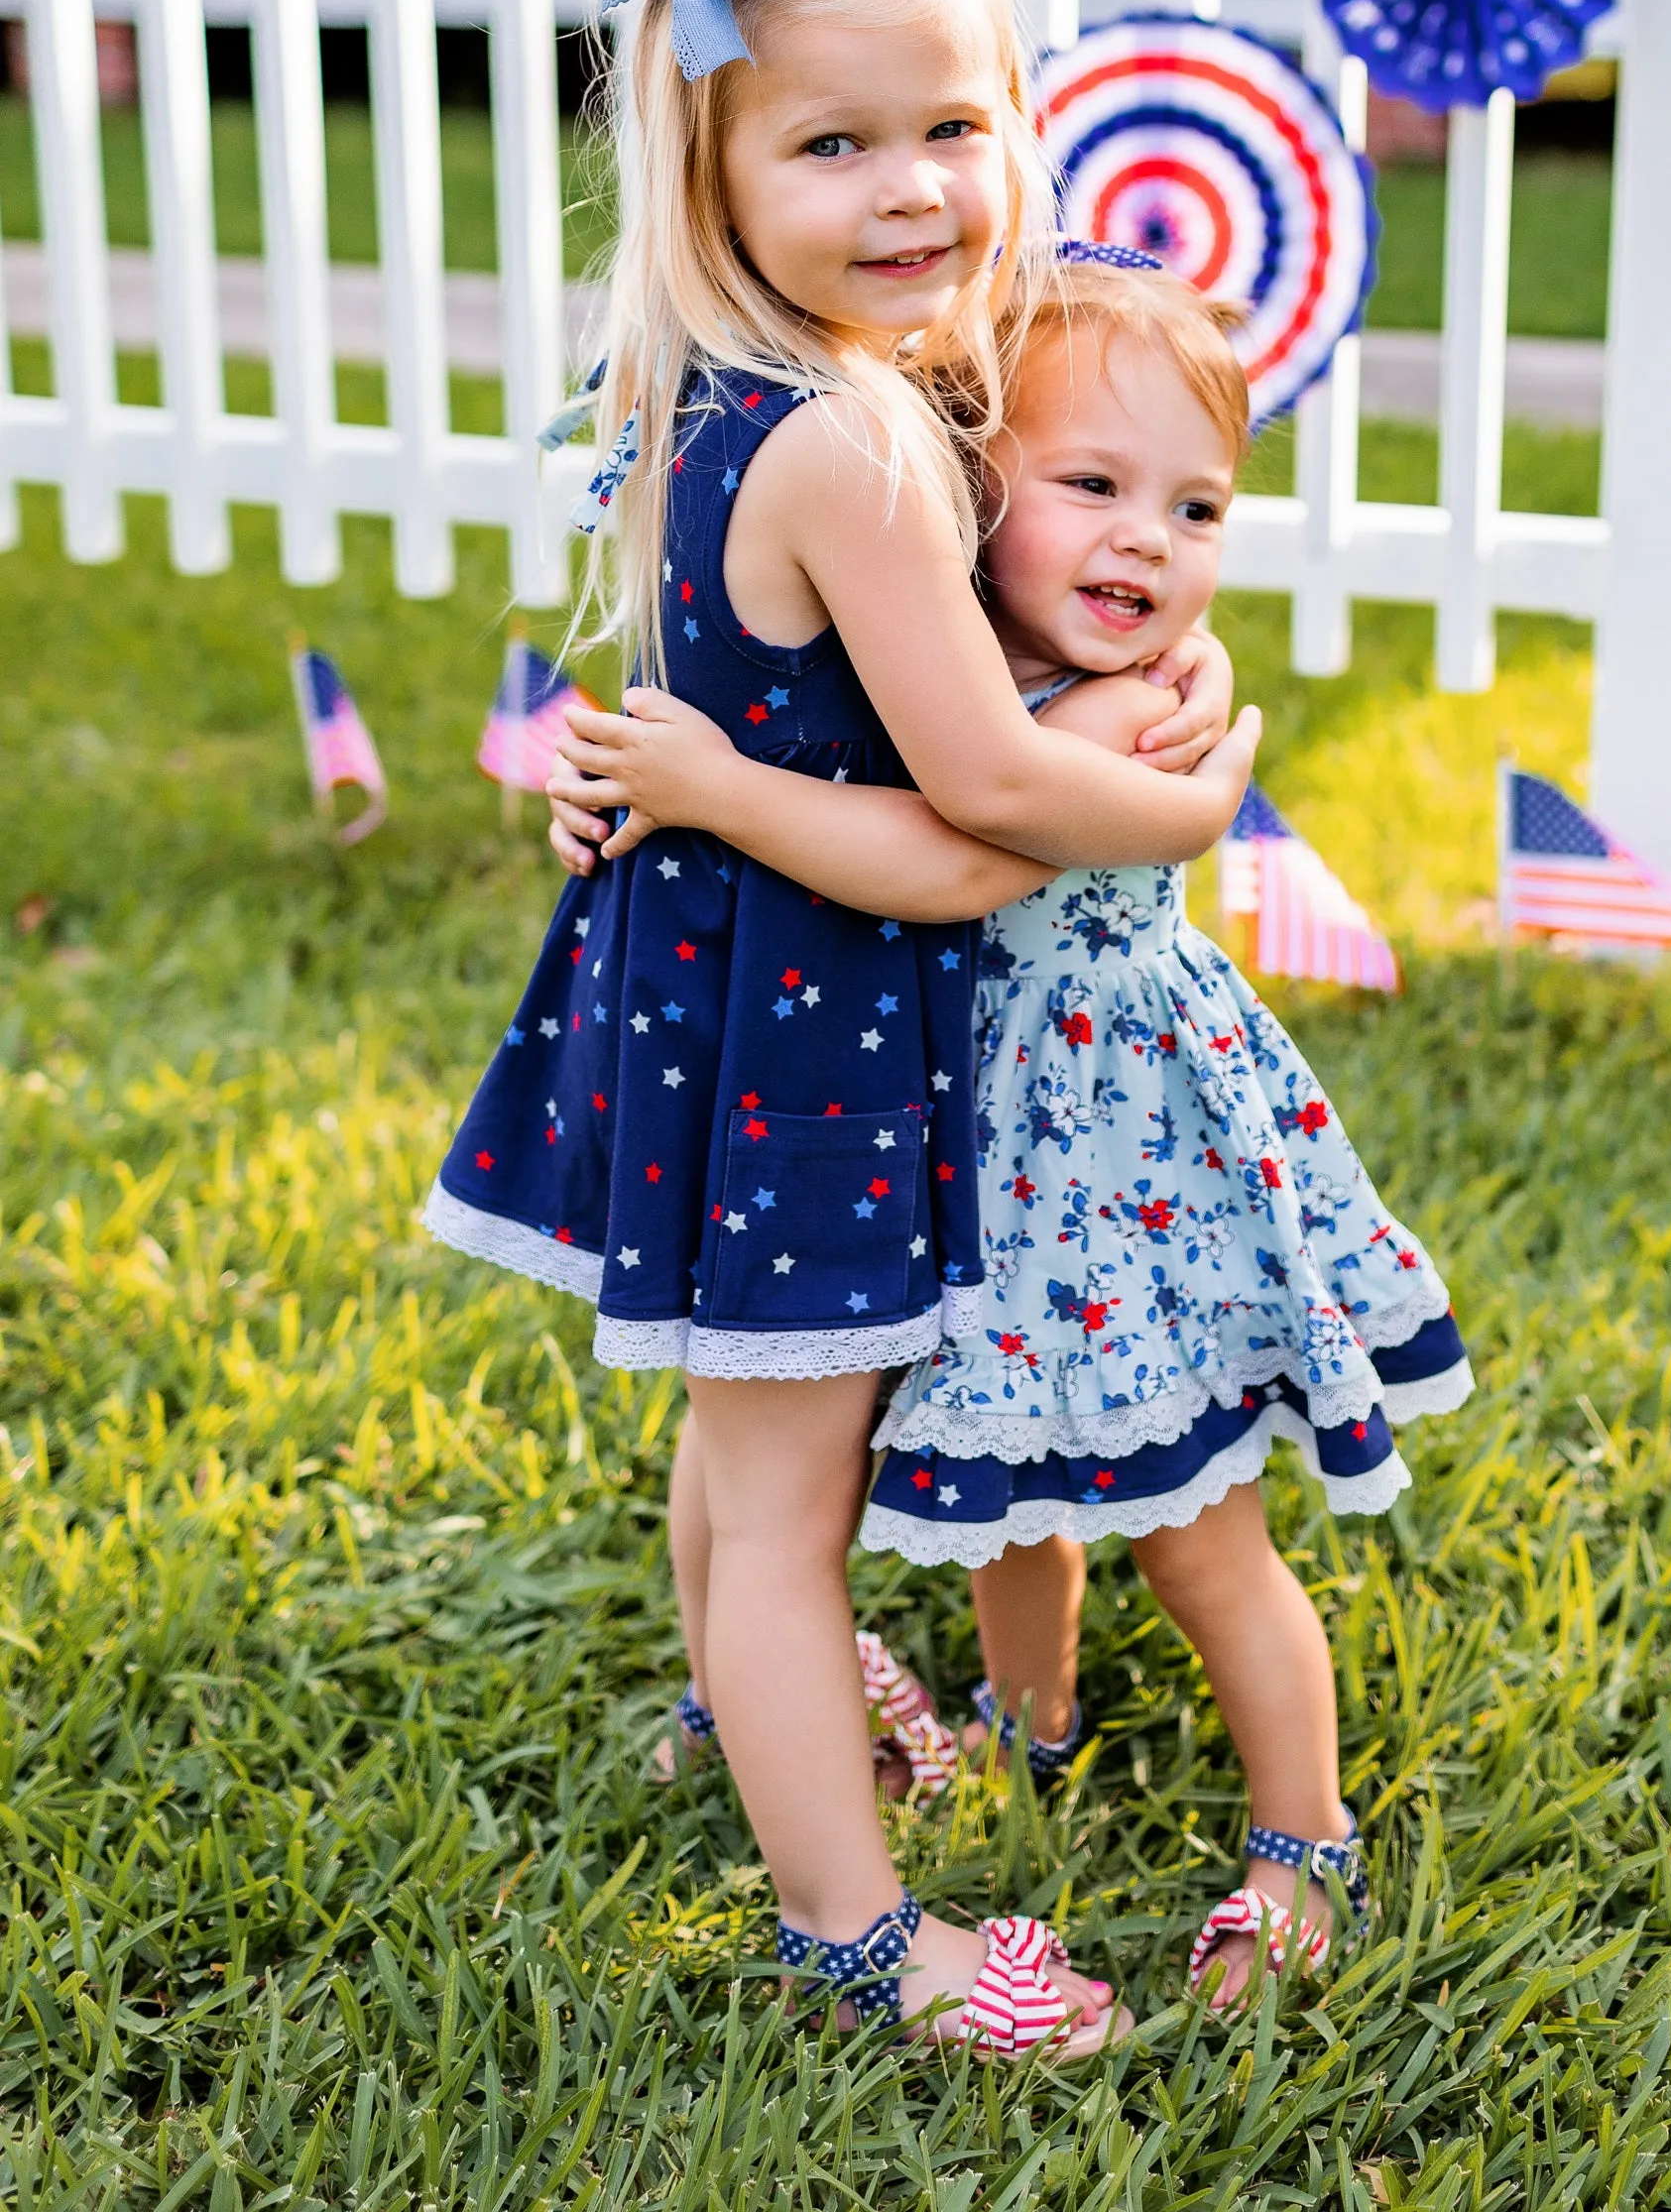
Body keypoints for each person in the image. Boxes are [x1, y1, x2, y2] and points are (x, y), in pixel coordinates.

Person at [424, 0, 1261, 2055]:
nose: (910, 190)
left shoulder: (710, 396)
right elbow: (982, 809)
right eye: (831, 143)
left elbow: (728, 706)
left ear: (1018, 114)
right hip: (804, 1024)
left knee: (735, 1452)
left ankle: (738, 1713)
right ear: (710, 171)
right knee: (790, 1506)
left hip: (702, 993)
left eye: (953, 129)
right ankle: (856, 1934)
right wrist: (1179, 790)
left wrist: (657, 775)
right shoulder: (865, 448)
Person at [551, 252, 1473, 2010]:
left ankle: (1302, 1835)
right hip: (981, 1170)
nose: (1148, 541)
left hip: (1124, 1189)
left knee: (1205, 1536)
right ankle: (1025, 1719)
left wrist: (714, 790)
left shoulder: (1124, 717)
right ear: (974, 498)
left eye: (1196, 503)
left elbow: (952, 860)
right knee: (1009, 1501)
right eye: (1093, 486)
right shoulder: (953, 668)